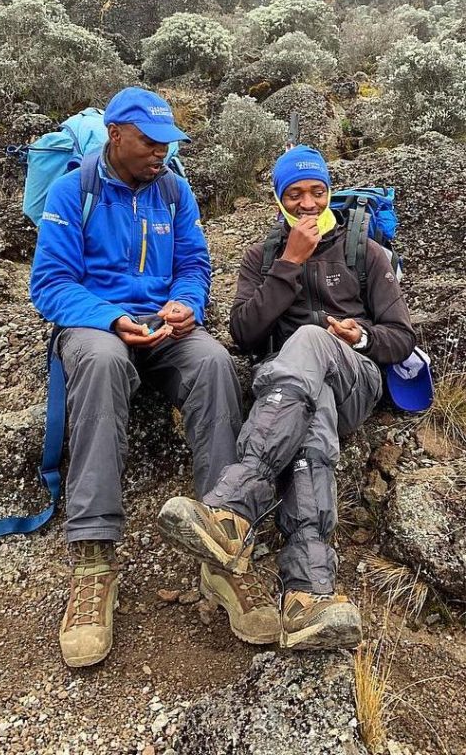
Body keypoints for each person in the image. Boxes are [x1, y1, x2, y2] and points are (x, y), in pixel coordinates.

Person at [158, 145, 416, 650]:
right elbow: (243, 335)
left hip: (354, 380)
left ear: (329, 193)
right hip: (289, 395)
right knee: (308, 414)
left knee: (310, 341)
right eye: (294, 194)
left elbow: (401, 337)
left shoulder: (364, 250)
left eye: (317, 192)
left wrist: (357, 338)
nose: (307, 203)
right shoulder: (262, 257)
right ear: (278, 199)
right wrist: (289, 264)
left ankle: (235, 506)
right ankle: (308, 594)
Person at [30, 86, 246, 668]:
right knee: (101, 363)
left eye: (168, 144)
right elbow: (49, 285)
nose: (161, 154)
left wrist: (185, 304)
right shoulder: (70, 191)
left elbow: (195, 263)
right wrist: (110, 318)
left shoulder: (174, 192)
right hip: (96, 323)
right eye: (151, 143)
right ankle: (94, 559)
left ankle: (219, 544)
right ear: (116, 136)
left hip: (164, 328)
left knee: (216, 363)